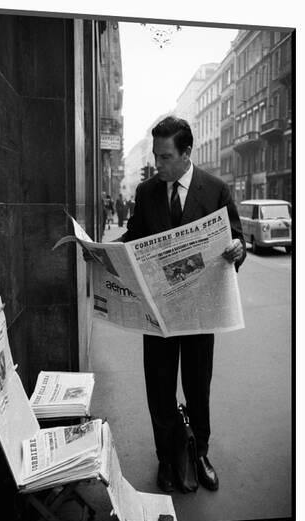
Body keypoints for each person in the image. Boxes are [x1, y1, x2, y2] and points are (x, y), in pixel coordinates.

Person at [119, 116, 246, 493]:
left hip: (199, 311)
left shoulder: (216, 190)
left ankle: (199, 452)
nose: (158, 164)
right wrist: (106, 252)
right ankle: (166, 459)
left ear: (186, 152)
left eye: (165, 156)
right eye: (156, 156)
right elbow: (135, 235)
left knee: (196, 386)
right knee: (159, 389)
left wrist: (237, 251)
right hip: (157, 313)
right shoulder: (146, 192)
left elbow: (235, 238)